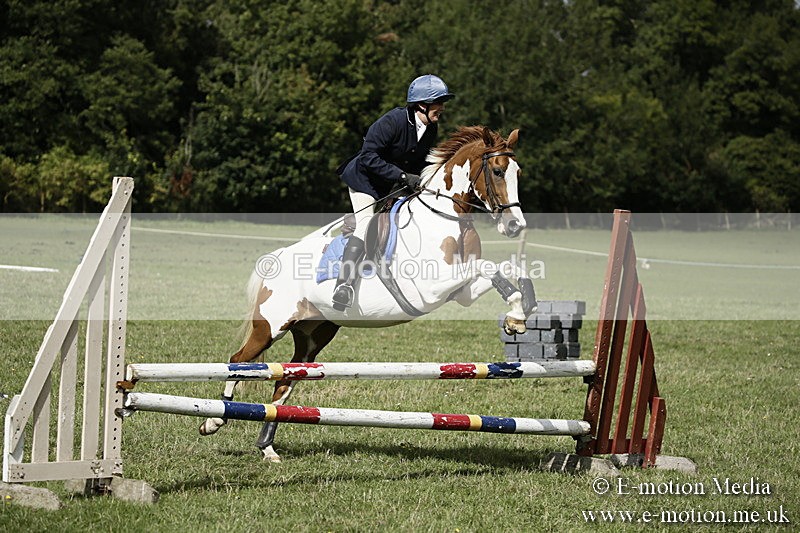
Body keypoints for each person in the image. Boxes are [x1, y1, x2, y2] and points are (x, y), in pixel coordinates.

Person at [332, 74, 455, 310]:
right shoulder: (392, 121)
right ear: (422, 104)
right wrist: (402, 177)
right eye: (438, 102)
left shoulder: (431, 127)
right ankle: (343, 286)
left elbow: (419, 161)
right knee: (365, 225)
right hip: (365, 181)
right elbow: (368, 157)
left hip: (392, 185)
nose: (442, 108)